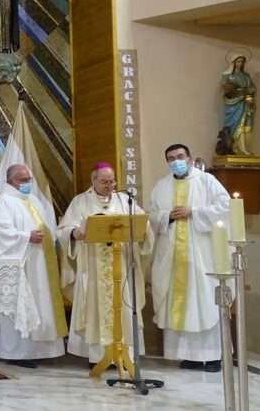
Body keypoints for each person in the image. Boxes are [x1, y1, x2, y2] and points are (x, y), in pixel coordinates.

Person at [59, 162, 153, 367]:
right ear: (93, 181)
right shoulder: (81, 201)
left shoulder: (125, 200)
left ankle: (124, 354)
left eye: (112, 181)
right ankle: (99, 357)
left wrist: (143, 226)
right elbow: (65, 229)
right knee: (96, 310)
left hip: (121, 265)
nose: (109, 185)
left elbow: (142, 223)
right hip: (93, 266)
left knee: (125, 308)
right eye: (104, 182)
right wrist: (75, 233)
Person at [149, 144, 230, 372]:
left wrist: (193, 212)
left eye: (180, 156)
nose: (176, 161)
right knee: (180, 303)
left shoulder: (207, 181)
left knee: (204, 302)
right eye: (171, 158)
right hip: (174, 257)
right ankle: (188, 356)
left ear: (190, 158)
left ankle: (212, 356)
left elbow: (225, 206)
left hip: (202, 257)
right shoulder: (161, 186)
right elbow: (152, 216)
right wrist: (168, 217)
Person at [0, 164, 67, 367]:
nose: (27, 183)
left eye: (28, 179)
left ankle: (41, 350)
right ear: (10, 181)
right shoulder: (3, 202)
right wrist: (26, 237)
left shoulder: (33, 201)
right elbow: (0, 233)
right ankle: (17, 353)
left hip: (39, 265)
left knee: (41, 302)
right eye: (22, 180)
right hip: (19, 265)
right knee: (19, 305)